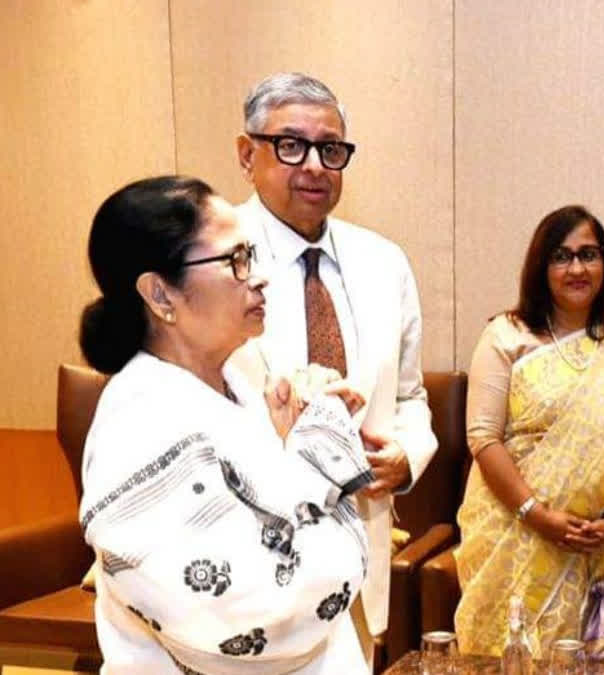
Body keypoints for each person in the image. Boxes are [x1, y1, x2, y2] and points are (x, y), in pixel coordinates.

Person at [78, 176, 373, 674]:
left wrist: (290, 437)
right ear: (160, 294)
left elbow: (274, 511)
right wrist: (319, 445)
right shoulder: (140, 420)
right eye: (234, 260)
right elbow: (249, 615)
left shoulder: (239, 379)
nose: (257, 277)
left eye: (251, 256)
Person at [227, 72, 437, 650]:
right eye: (290, 146)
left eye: (331, 149)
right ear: (248, 154)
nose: (315, 166)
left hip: (359, 549)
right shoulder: (213, 257)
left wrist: (408, 456)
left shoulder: (383, 261)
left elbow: (409, 397)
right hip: (249, 560)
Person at [453, 205, 604, 673]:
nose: (577, 269)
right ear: (540, 267)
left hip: (600, 547)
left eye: (589, 254)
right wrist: (537, 515)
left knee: (601, 659)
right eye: (562, 257)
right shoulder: (506, 335)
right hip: (516, 531)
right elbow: (483, 438)